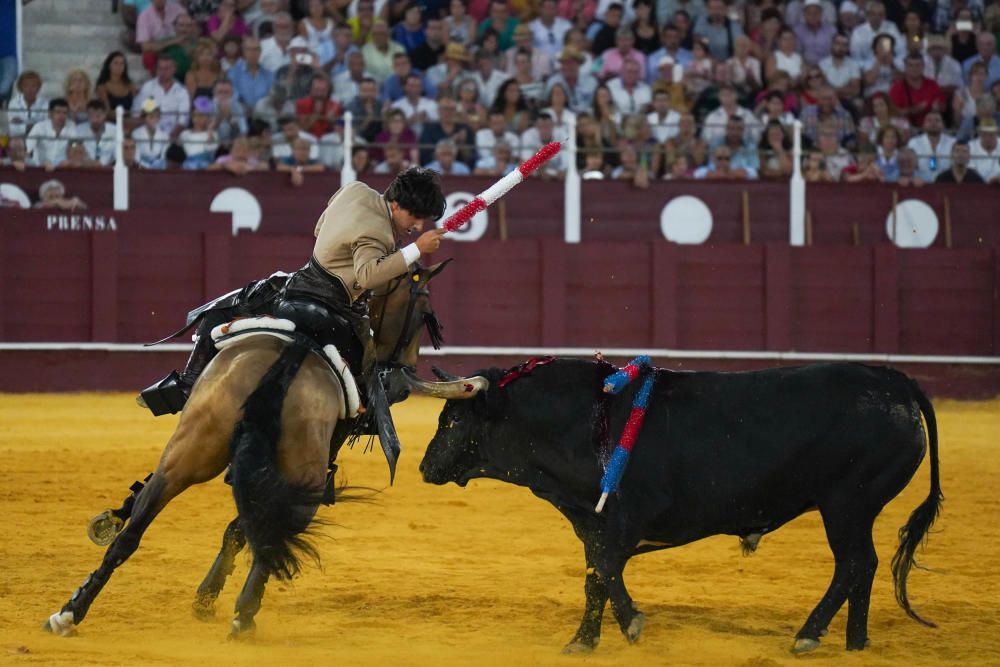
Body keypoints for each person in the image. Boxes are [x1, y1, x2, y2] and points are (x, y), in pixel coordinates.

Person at [134, 53, 192, 138]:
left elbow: (183, 121)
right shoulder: (148, 87)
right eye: (160, 68)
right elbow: (137, 112)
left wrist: (169, 138)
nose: (163, 72)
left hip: (172, 135)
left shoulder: (182, 92)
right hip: (148, 133)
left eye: (167, 68)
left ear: (174, 69)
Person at [26, 98, 78, 168]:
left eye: (64, 113)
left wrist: (70, 160)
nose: (61, 116)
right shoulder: (39, 127)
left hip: (62, 168)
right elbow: (28, 149)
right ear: (50, 113)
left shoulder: (71, 126)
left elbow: (75, 146)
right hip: (40, 168)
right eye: (58, 112)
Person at [7, 71, 50, 138]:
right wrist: (37, 124)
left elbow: (46, 127)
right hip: (19, 138)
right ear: (21, 87)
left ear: (38, 88)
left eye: (33, 86)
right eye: (26, 86)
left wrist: (22, 125)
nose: (30, 89)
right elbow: (14, 129)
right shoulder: (14, 103)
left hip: (38, 138)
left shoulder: (45, 103)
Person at [96, 51, 139, 115]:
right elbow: (107, 111)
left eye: (122, 63)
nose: (119, 66)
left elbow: (137, 104)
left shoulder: (130, 84)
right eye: (115, 63)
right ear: (109, 65)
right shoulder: (102, 87)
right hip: (111, 121)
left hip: (130, 120)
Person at [77, 100, 118, 166]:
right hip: (85, 168)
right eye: (91, 116)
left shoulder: (116, 130)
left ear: (105, 115)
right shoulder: (79, 130)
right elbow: (74, 151)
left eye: (98, 116)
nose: (94, 120)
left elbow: (118, 155)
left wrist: (102, 164)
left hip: (108, 170)